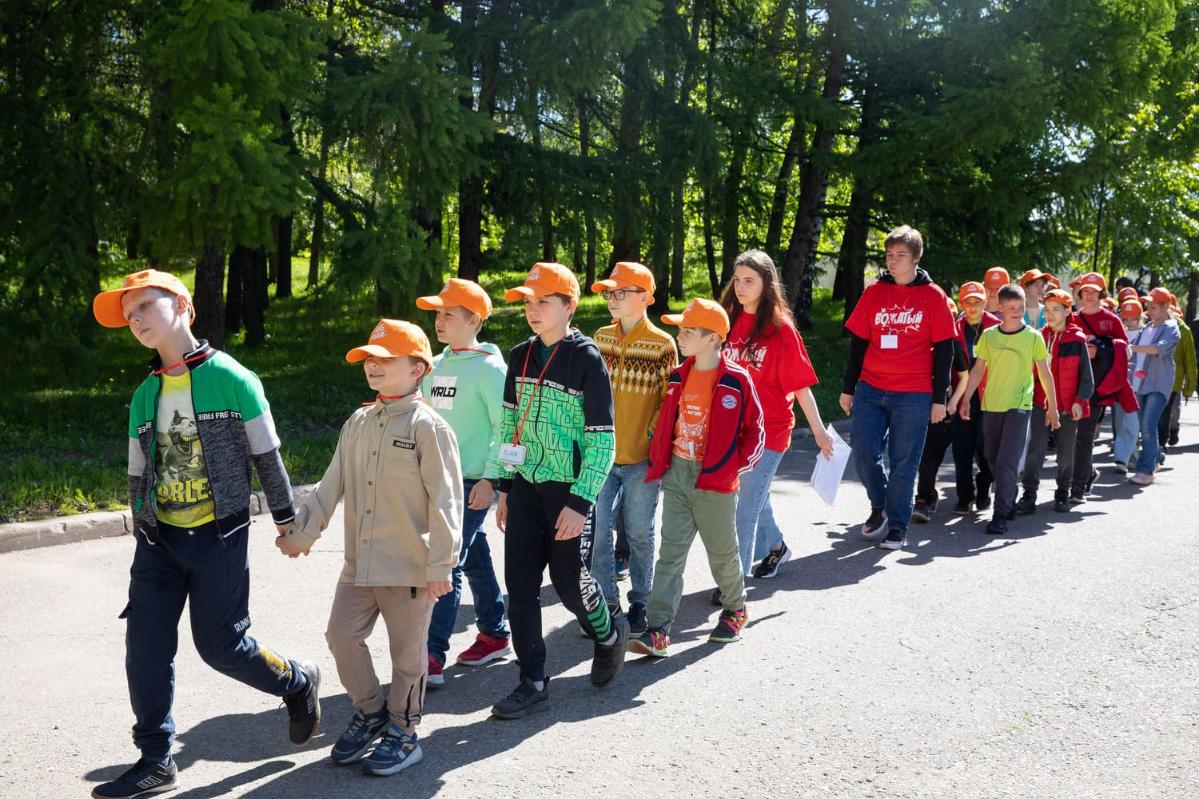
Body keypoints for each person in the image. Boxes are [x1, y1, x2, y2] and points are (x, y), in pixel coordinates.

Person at [91, 270, 319, 799]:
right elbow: (136, 470)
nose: (137, 319)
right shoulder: (143, 395)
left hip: (219, 536)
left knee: (222, 648)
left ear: (184, 307)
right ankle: (155, 757)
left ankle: (297, 681)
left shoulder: (233, 378)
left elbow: (266, 455)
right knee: (144, 647)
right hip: (159, 543)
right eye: (130, 316)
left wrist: (287, 520)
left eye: (145, 306)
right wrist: (142, 530)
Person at [278, 320, 461, 775]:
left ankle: (404, 730)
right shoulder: (358, 422)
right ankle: (372, 711)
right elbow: (330, 485)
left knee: (407, 657)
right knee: (341, 635)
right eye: (369, 360)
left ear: (418, 369)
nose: (373, 367)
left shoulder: (429, 427)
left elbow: (446, 499)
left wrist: (442, 563)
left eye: (385, 359)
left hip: (410, 569)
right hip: (359, 565)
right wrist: (302, 535)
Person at [489, 262, 627, 720]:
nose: (533, 310)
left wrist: (581, 502)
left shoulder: (586, 359)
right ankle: (532, 680)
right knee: (520, 588)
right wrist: (505, 487)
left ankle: (608, 636)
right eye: (528, 302)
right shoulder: (519, 355)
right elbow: (510, 423)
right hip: (526, 489)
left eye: (543, 301)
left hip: (568, 494)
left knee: (570, 588)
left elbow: (603, 441)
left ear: (568, 307)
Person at [627, 298, 764, 658]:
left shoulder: (737, 380)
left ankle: (736, 609)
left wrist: (732, 468)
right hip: (677, 474)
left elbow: (755, 431)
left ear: (713, 339)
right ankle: (658, 629)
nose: (680, 336)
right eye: (680, 329)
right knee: (670, 554)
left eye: (688, 331)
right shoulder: (677, 376)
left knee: (722, 553)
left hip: (716, 481)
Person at [414, 279, 512, 684]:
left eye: (448, 314)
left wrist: (493, 479)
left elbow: (505, 429)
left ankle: (431, 655)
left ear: (474, 320)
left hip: (472, 481)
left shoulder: (491, 370)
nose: (439, 321)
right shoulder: (435, 366)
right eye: (437, 313)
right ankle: (494, 633)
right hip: (434, 479)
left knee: (446, 561)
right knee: (471, 555)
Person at [840, 225, 957, 551]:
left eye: (900, 256)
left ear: (916, 258)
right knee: (864, 454)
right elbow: (858, 343)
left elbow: (946, 351)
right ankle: (881, 505)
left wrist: (939, 398)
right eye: (889, 255)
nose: (892, 261)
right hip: (871, 389)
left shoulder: (933, 296)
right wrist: (848, 388)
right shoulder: (874, 292)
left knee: (904, 461)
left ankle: (897, 525)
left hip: (914, 394)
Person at [720, 249, 831, 586]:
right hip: (734, 431)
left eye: (749, 281)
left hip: (770, 432)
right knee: (754, 496)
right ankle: (775, 548)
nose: (740, 287)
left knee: (744, 507)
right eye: (737, 280)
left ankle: (732, 585)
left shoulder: (781, 329)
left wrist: (820, 433)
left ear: (766, 283)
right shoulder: (727, 321)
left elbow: (801, 388)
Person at [589, 261, 678, 636]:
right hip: (601, 457)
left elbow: (666, 401)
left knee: (640, 532)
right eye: (610, 292)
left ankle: (642, 599)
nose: (613, 298)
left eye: (621, 292)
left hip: (641, 459)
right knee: (596, 532)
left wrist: (651, 438)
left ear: (646, 297)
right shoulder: (600, 338)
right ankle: (606, 602)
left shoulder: (662, 345)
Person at [958, 284, 1059, 534]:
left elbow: (1045, 374)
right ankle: (1009, 492)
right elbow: (978, 370)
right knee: (992, 458)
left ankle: (1000, 514)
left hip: (1020, 405)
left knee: (1006, 460)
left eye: (1021, 308)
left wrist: (1052, 407)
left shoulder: (1033, 337)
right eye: (1011, 308)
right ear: (1000, 308)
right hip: (991, 404)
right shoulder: (989, 336)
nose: (1016, 312)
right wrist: (965, 398)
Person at [1016, 289, 1093, 514]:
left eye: (1056, 310)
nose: (1049, 314)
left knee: (1066, 452)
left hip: (1068, 406)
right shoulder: (1037, 336)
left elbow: (1087, 378)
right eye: (1047, 309)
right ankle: (1029, 494)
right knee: (1035, 449)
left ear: (1068, 311)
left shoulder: (1077, 340)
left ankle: (1062, 494)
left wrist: (1080, 400)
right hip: (1040, 402)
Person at [1069, 271, 1131, 503]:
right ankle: (1088, 472)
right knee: (1071, 436)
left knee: (1084, 436)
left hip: (1097, 387)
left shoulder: (1111, 320)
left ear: (1101, 294)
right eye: (1085, 291)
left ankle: (1076, 488)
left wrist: (1101, 346)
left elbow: (1126, 350)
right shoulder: (1072, 318)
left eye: (1093, 292)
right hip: (1071, 386)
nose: (1088, 296)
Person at [912, 295, 970, 523]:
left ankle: (966, 496)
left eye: (950, 316)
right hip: (917, 405)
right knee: (925, 457)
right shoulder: (919, 341)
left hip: (944, 408)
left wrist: (953, 402)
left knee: (945, 456)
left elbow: (964, 376)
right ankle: (924, 499)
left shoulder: (953, 343)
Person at [948, 281, 1000, 513]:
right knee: (962, 449)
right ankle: (964, 496)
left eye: (976, 302)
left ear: (985, 302)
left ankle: (984, 482)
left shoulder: (998, 327)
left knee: (987, 449)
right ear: (961, 304)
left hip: (990, 397)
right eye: (967, 303)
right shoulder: (954, 329)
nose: (972, 307)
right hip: (961, 397)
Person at [1126, 287, 1181, 485]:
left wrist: (1132, 347)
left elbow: (1159, 349)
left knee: (1148, 426)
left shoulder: (1171, 327)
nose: (1149, 310)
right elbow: (1135, 356)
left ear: (1166, 306)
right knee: (1146, 427)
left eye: (1154, 306)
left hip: (1159, 384)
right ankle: (1155, 459)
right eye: (1148, 306)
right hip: (1140, 384)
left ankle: (1146, 470)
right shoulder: (1147, 327)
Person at [1111, 298, 1144, 473]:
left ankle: (1126, 457)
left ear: (1140, 317)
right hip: (1121, 385)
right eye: (1126, 318)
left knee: (1136, 423)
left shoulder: (1147, 333)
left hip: (1141, 386)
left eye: (1134, 318)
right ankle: (1125, 456)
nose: (1130, 322)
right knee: (1120, 422)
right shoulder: (1118, 334)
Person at [1158, 297, 1195, 453]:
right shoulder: (1150, 326)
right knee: (1156, 413)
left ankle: (1160, 443)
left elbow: (1189, 359)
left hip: (1173, 380)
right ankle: (1157, 443)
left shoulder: (1183, 330)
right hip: (1152, 379)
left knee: (1165, 412)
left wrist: (1189, 387)